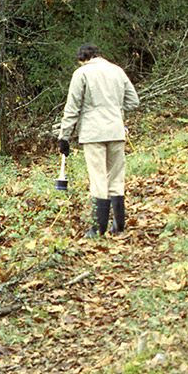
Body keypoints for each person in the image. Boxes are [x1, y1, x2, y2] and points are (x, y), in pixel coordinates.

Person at [58, 45, 139, 237]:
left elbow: (72, 108)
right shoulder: (117, 71)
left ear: (82, 59)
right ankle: (119, 227)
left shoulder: (82, 73)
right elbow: (133, 101)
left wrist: (64, 136)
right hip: (116, 131)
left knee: (98, 179)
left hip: (93, 133)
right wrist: (116, 110)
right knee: (116, 178)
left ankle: (98, 228)